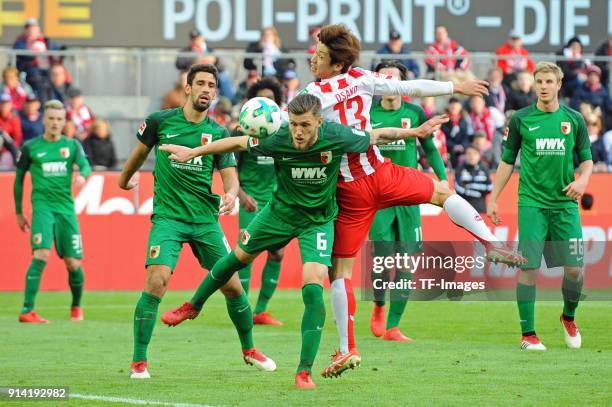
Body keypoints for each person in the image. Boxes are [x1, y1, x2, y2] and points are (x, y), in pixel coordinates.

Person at [158, 93, 450, 388]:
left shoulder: (336, 135)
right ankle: (193, 305)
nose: (298, 132)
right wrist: (193, 152)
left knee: (313, 284)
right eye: (295, 124)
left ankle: (303, 371)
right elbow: (236, 143)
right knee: (236, 259)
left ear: (319, 123)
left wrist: (415, 132)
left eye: (305, 125)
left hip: (318, 222)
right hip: (279, 214)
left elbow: (378, 135)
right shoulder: (277, 137)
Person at [297, 24, 524, 378]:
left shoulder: (313, 95)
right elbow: (409, 86)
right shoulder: (361, 79)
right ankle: (492, 243)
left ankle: (346, 349)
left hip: (349, 190)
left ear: (336, 64)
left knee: (339, 273)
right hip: (381, 173)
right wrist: (456, 86)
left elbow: (289, 125)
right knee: (442, 192)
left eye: (320, 54)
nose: (313, 58)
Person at [117, 64, 275, 379]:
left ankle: (249, 350)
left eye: (211, 85)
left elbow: (230, 178)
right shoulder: (161, 122)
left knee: (232, 287)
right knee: (157, 280)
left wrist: (231, 195)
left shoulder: (218, 133)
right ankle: (139, 362)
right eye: (200, 83)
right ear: (187, 88)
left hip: (205, 222)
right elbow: (137, 154)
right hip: (169, 219)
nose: (206, 89)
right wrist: (124, 180)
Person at [487, 62, 593, 351]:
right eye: (539, 81)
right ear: (534, 85)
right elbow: (507, 161)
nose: (544, 86)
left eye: (549, 81)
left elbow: (586, 160)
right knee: (528, 267)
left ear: (559, 85)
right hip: (532, 203)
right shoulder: (521, 119)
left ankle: (568, 317)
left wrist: (582, 181)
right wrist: (494, 197)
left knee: (575, 270)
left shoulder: (574, 119)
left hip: (565, 205)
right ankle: (528, 335)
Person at [367, 60, 448, 342]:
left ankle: (393, 327)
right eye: (384, 77)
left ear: (403, 83)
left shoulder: (414, 112)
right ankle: (378, 303)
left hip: (409, 195)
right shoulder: (366, 112)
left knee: (405, 262)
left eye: (394, 77)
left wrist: (443, 178)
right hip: (378, 196)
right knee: (381, 257)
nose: (389, 82)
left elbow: (429, 148)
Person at [13, 99, 91, 323]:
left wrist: (83, 175)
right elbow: (18, 180)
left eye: (59, 119)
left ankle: (76, 307)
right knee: (41, 254)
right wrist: (19, 212)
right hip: (43, 208)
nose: (55, 123)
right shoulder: (31, 147)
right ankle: (27, 310)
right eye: (51, 119)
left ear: (64, 121)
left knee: (73, 263)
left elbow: (85, 164)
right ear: (44, 120)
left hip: (66, 209)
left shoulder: (72, 145)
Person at [235, 77, 286, 325]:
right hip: (249, 202)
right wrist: (241, 195)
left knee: (278, 254)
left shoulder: (283, 133)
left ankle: (260, 310)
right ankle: (242, 308)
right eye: (261, 99)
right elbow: (227, 167)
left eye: (271, 99)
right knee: (246, 253)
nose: (267, 103)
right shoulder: (242, 131)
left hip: (275, 203)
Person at [12, 18, 61, 97]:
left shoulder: (46, 41)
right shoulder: (21, 42)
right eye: (29, 28)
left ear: (38, 29)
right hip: (32, 71)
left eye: (34, 27)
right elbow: (22, 54)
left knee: (56, 80)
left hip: (48, 70)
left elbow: (57, 50)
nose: (31, 30)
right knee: (40, 84)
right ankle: (42, 107)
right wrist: (33, 49)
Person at [454, 144, 492, 213]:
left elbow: (489, 187)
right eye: (469, 154)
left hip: (481, 209)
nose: (472, 156)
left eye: (474, 154)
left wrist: (470, 186)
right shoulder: (460, 169)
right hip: (463, 209)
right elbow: (458, 188)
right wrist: (477, 192)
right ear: (465, 155)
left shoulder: (484, 168)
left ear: (479, 155)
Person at [442, 97, 471, 168]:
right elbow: (444, 138)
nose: (454, 107)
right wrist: (453, 146)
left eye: (456, 106)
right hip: (449, 149)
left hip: (462, 149)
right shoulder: (444, 120)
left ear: (460, 107)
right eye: (452, 106)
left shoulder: (464, 120)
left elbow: (466, 137)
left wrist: (462, 146)